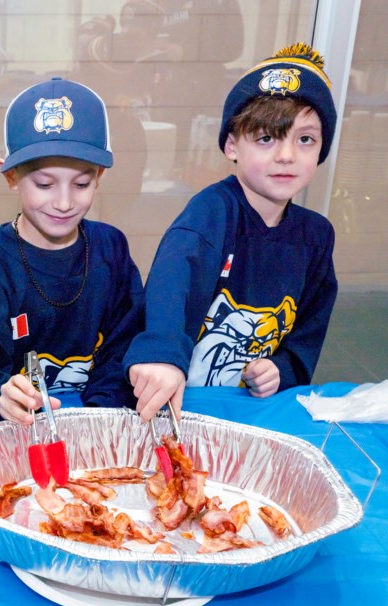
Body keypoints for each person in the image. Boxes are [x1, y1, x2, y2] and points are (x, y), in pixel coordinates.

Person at [123, 43, 339, 423]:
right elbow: (172, 282)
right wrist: (161, 354)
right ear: (231, 146)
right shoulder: (212, 211)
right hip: (178, 404)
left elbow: (309, 327)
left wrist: (283, 368)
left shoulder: (316, 236)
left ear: (321, 151)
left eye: (305, 139)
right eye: (267, 138)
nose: (287, 155)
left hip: (248, 409)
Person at [0, 77, 144, 434]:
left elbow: (123, 351)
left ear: (98, 176)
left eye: (81, 184)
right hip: (15, 439)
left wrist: (95, 425)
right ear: (10, 176)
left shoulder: (112, 250)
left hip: (98, 432)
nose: (64, 202)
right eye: (45, 184)